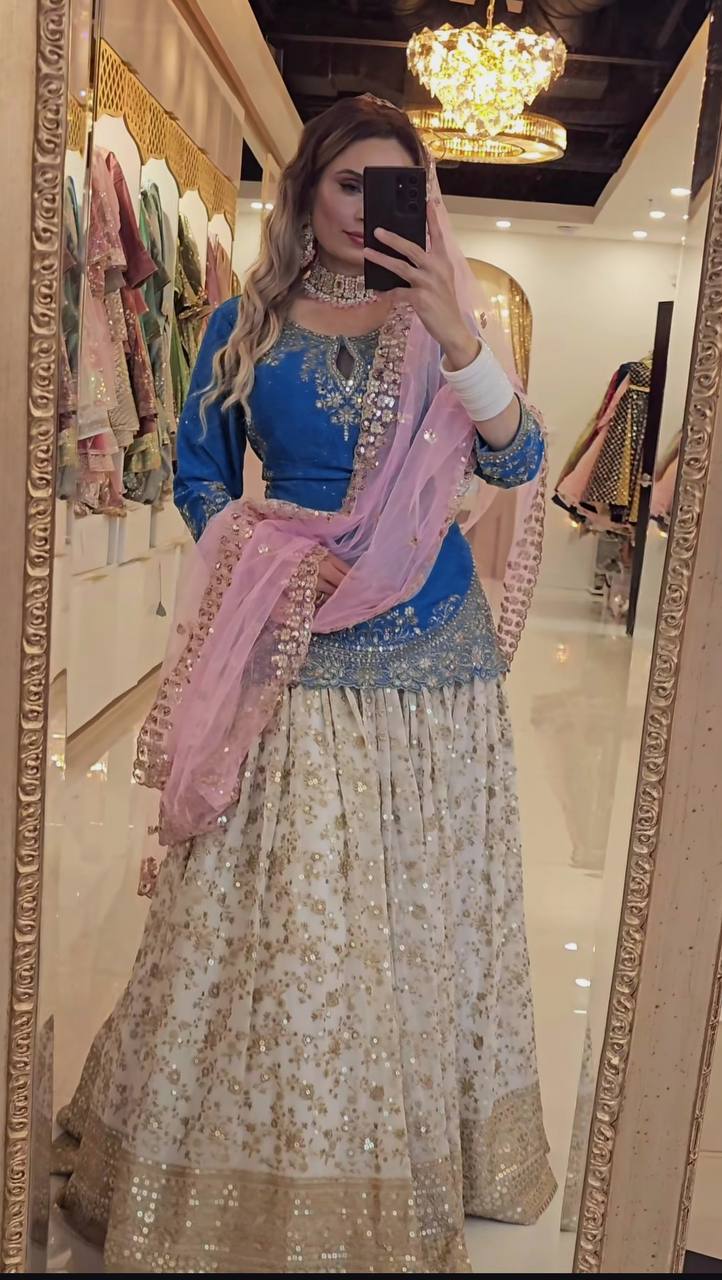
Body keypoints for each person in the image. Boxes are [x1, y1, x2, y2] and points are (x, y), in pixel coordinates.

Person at [56, 95, 555, 1273]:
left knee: (409, 906)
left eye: (390, 188)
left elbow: (520, 459)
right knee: (281, 906)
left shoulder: (445, 322)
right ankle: (261, 1146)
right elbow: (198, 474)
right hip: (293, 647)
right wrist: (267, 551)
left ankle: (411, 1140)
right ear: (304, 190)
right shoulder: (247, 321)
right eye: (345, 184)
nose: (365, 210)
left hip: (429, 660)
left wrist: (460, 335)